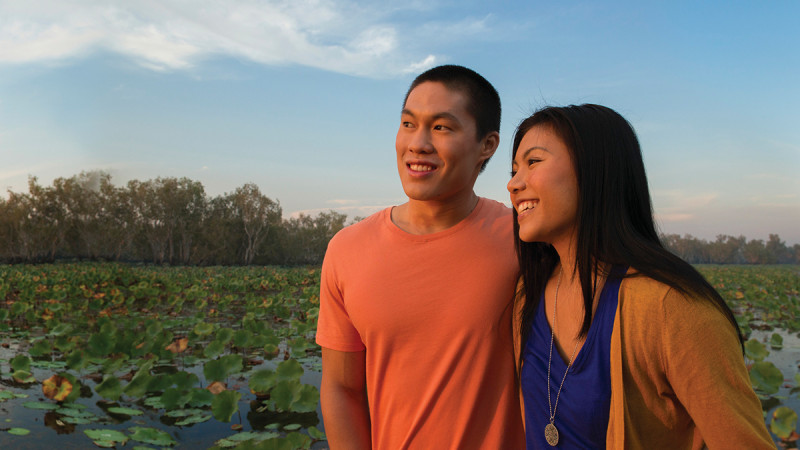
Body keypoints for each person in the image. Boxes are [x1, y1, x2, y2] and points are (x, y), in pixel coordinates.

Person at [507, 104, 774, 448]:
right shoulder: (527, 294)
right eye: (514, 169)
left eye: (533, 162)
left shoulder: (671, 308)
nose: (513, 184)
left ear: (596, 170)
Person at [316, 65, 525, 449]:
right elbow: (342, 388)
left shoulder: (525, 241)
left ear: (487, 145)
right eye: (408, 124)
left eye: (441, 127)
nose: (417, 144)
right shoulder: (347, 250)